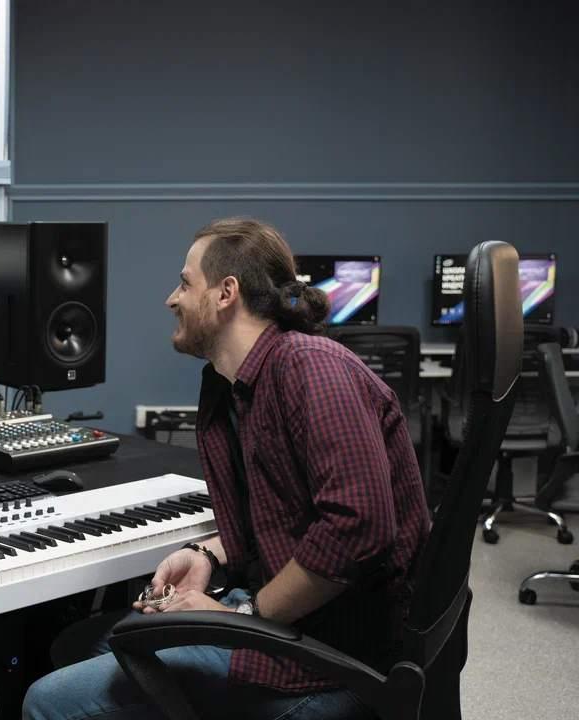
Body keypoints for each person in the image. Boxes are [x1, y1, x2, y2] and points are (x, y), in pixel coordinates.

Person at [22, 217, 431, 720]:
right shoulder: (231, 387)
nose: (172, 299)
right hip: (297, 624)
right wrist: (207, 555)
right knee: (85, 644)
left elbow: (358, 525)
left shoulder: (312, 366)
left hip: (333, 659)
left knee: (46, 701)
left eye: (185, 283)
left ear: (225, 293)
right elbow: (282, 516)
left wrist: (244, 615)